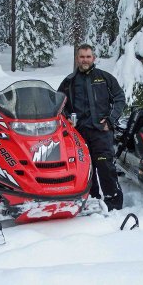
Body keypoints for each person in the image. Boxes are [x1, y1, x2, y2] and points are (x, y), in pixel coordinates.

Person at [58, 44, 126, 211]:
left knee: (105, 166)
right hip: (78, 133)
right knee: (85, 168)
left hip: (101, 131)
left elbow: (119, 98)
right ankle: (91, 199)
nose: (85, 60)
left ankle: (114, 203)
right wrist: (67, 119)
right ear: (77, 59)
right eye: (82, 57)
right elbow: (59, 103)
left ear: (93, 58)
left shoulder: (104, 78)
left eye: (88, 56)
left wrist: (110, 120)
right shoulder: (69, 81)